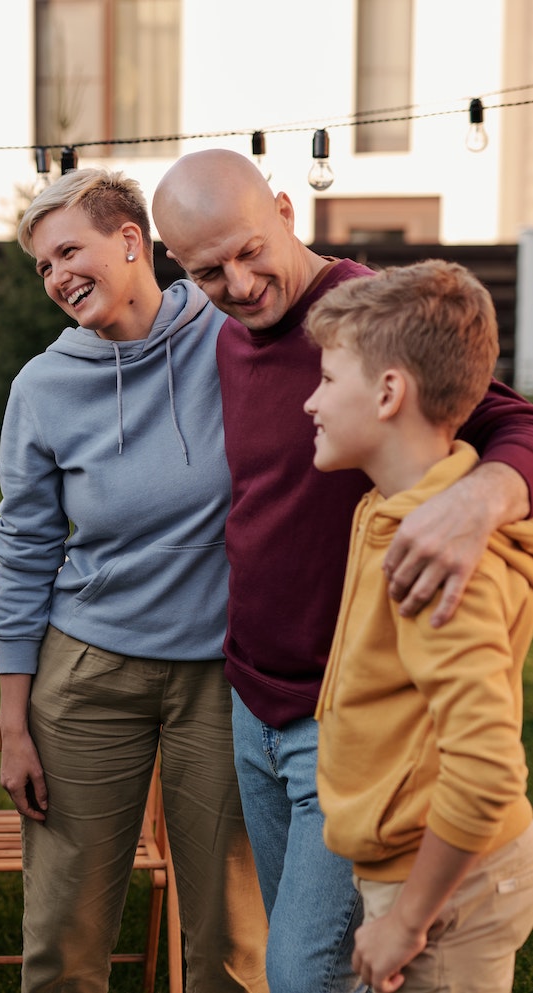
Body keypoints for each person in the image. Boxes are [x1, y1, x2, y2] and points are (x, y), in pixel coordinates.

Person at [151, 148, 533, 993]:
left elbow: (514, 420)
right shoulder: (227, 335)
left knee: (301, 970)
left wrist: (477, 502)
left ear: (285, 210)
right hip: (256, 695)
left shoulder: (363, 324)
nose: (241, 284)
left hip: (348, 719)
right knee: (314, 955)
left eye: (251, 251)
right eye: (209, 271)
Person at [0, 167, 268, 993]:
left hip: (222, 672)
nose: (56, 275)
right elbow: (26, 549)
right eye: (42, 265)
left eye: (68, 250)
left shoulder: (231, 331)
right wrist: (11, 725)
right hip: (86, 673)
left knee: (229, 932)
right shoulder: (41, 387)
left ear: (130, 241)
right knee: (63, 932)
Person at [304, 259, 533, 993]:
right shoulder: (392, 510)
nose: (310, 401)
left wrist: (406, 918)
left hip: (441, 892)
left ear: (387, 392)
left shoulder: (433, 561)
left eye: (327, 379)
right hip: (423, 871)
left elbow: (488, 768)